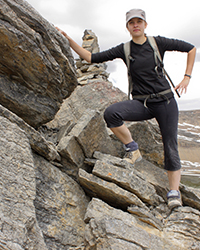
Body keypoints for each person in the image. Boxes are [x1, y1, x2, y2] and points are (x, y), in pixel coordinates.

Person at [56, 8, 196, 209]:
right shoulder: (125, 49)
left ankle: (173, 192)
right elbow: (90, 58)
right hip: (141, 103)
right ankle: (132, 149)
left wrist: (187, 76)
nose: (136, 25)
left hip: (165, 102)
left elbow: (191, 48)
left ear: (145, 24)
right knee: (111, 114)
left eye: (139, 21)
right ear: (128, 27)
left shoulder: (158, 43)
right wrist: (68, 39)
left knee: (170, 145)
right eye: (132, 22)